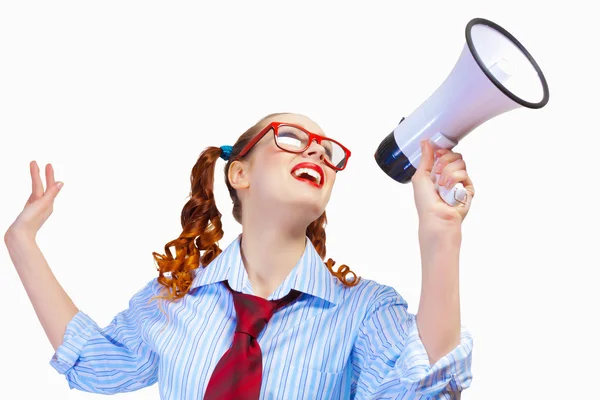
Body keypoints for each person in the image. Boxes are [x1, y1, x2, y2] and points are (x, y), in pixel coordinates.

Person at [4, 112, 475, 399]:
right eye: (291, 137)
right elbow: (96, 363)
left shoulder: (364, 311)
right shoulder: (174, 300)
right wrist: (21, 243)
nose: (316, 149)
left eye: (328, 151)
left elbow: (422, 390)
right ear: (240, 174)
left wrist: (442, 236)